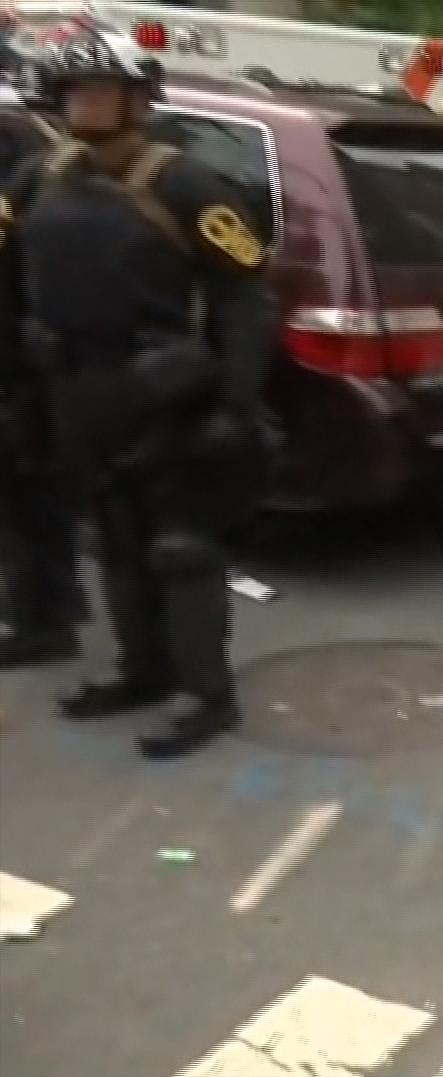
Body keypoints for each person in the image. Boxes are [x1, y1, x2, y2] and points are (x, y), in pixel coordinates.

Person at [1, 24, 277, 758]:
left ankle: (205, 694)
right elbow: (8, 282)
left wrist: (235, 406)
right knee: (115, 542)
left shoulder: (186, 184)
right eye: (75, 93)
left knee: (180, 547)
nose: (88, 106)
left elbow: (245, 300)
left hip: (166, 395)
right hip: (75, 393)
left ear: (138, 98)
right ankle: (141, 670)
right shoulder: (36, 179)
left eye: (102, 91)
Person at [0, 33, 83, 669]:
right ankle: (48, 606)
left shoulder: (24, 152)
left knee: (31, 496)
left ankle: (45, 620)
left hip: (27, 355)